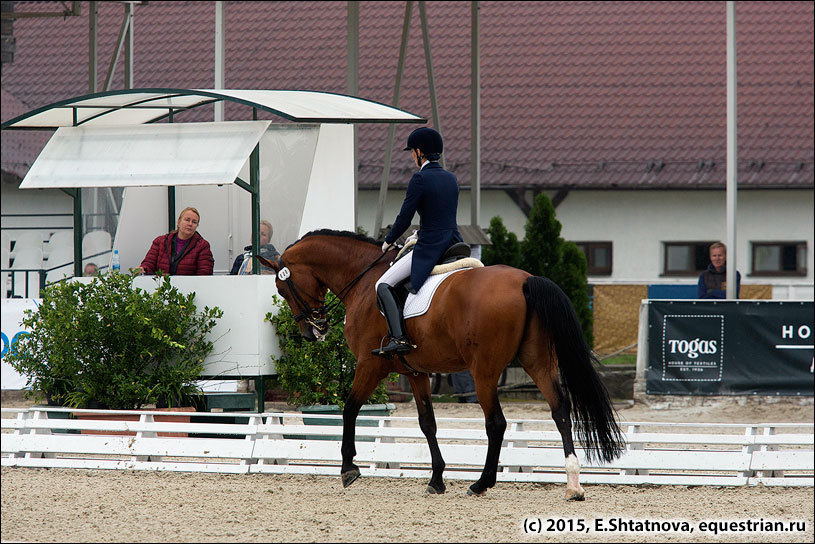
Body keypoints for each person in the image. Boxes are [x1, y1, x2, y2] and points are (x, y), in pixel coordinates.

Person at [373, 127, 463, 357]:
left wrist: (388, 241)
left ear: (419, 152)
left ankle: (399, 338)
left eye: (412, 152)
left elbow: (404, 217)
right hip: (453, 242)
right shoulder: (451, 178)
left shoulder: (420, 178)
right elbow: (439, 215)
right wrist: (419, 233)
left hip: (430, 247)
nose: (412, 156)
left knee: (382, 285)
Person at [137, 206, 214, 276]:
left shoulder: (203, 246)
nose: (190, 224)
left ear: (197, 226)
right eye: (187, 220)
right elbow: (149, 263)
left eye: (194, 222)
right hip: (162, 287)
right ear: (178, 222)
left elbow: (204, 273)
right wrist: (143, 269)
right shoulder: (160, 241)